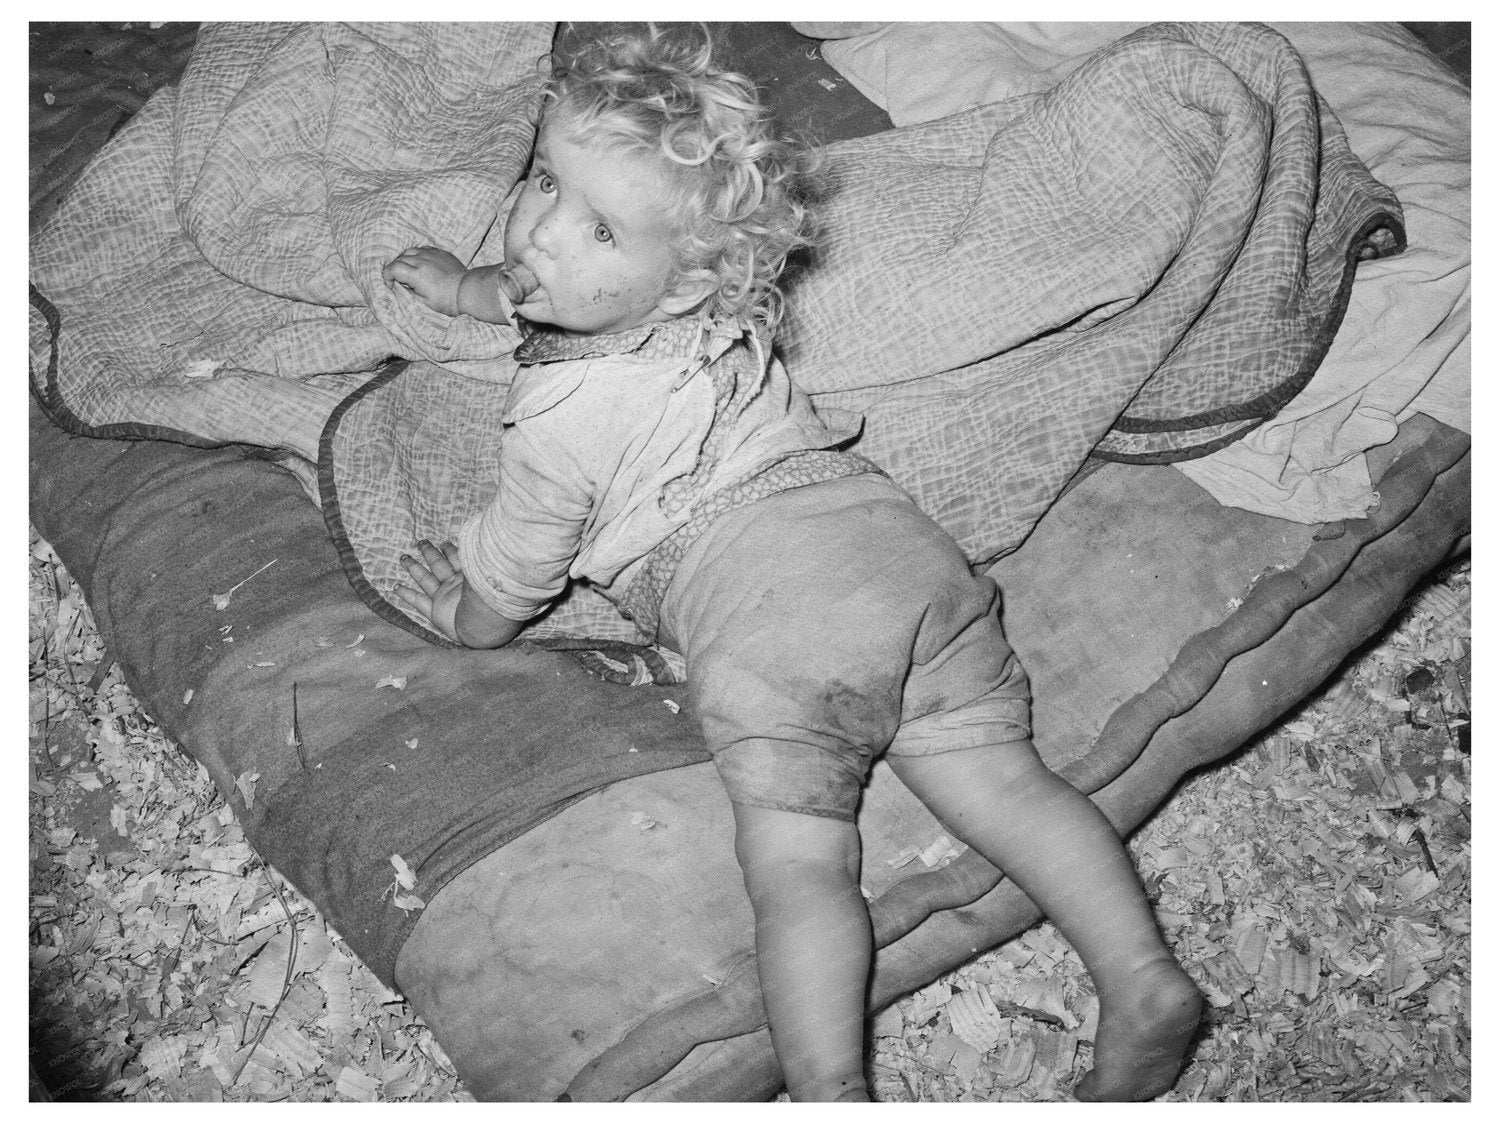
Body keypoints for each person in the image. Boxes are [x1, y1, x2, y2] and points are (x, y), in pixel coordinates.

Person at [383, 26, 1202, 1103]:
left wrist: (461, 612)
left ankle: (829, 1088)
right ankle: (1142, 974)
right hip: (903, 561)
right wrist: (462, 288)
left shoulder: (562, 417)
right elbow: (551, 290)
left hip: (779, 625)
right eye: (544, 178)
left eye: (596, 226)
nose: (540, 229)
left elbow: (518, 568)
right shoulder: (701, 300)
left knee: (801, 867)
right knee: (1008, 783)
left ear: (672, 284)